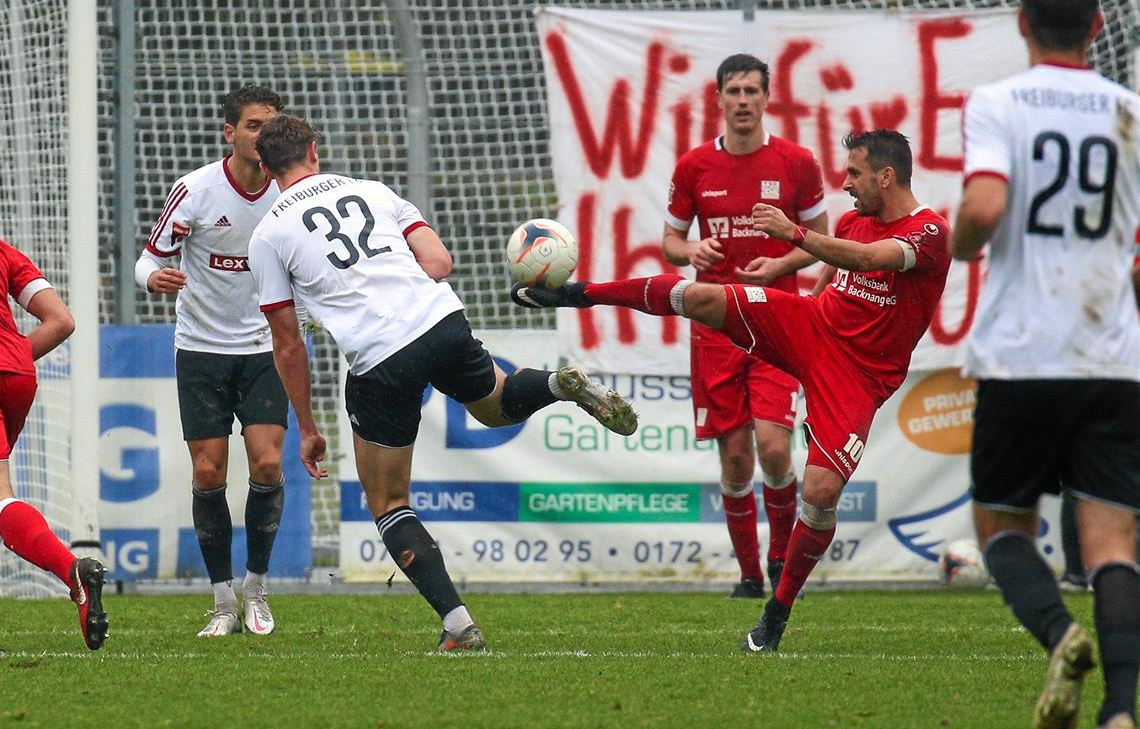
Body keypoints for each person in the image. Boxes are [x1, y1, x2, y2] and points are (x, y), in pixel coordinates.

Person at [514, 129, 950, 653]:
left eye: (854, 173)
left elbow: (865, 261)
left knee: (820, 493)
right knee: (699, 296)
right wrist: (801, 302)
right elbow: (835, 276)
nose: (845, 182)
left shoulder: (929, 232)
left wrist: (793, 234)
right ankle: (576, 294)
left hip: (859, 375)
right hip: (812, 326)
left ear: (886, 175)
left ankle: (777, 611)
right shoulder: (855, 218)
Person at [246, 114, 639, 653]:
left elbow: (288, 343)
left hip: (381, 354)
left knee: (387, 501)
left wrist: (308, 427)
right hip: (439, 319)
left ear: (265, 169)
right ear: (315, 151)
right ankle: (557, 385)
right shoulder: (372, 190)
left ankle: (459, 624)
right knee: (497, 406)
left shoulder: (268, 234)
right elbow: (439, 262)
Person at [953, 0, 1139, 726]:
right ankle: (1122, 711)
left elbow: (986, 204)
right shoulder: (1131, 114)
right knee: (1113, 544)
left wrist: (965, 240)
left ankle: (1061, 636)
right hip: (1111, 356)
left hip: (1023, 354)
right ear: (1098, 27)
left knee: (1001, 528)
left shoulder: (999, 103)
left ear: (1022, 24)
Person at [662, 53, 827, 598]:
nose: (742, 101)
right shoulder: (693, 167)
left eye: (751, 91)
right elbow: (670, 243)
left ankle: (781, 560)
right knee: (735, 458)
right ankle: (749, 575)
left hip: (777, 322)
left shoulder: (797, 162)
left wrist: (782, 265)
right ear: (718, 99)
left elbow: (820, 242)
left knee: (775, 449)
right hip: (716, 328)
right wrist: (692, 248)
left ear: (766, 98)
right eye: (732, 91)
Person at [136, 84, 288, 637]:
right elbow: (147, 260)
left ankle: (256, 587)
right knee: (208, 472)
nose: (261, 136)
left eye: (270, 126)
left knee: (268, 465)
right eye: (252, 126)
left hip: (265, 348)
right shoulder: (194, 191)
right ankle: (223, 602)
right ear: (230, 133)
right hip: (200, 347)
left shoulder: (290, 194)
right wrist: (154, 277)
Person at [0, 238, 107, 650]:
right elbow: (61, 321)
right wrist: (11, 356)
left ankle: (70, 569)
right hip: (17, 375)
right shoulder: (5, 252)